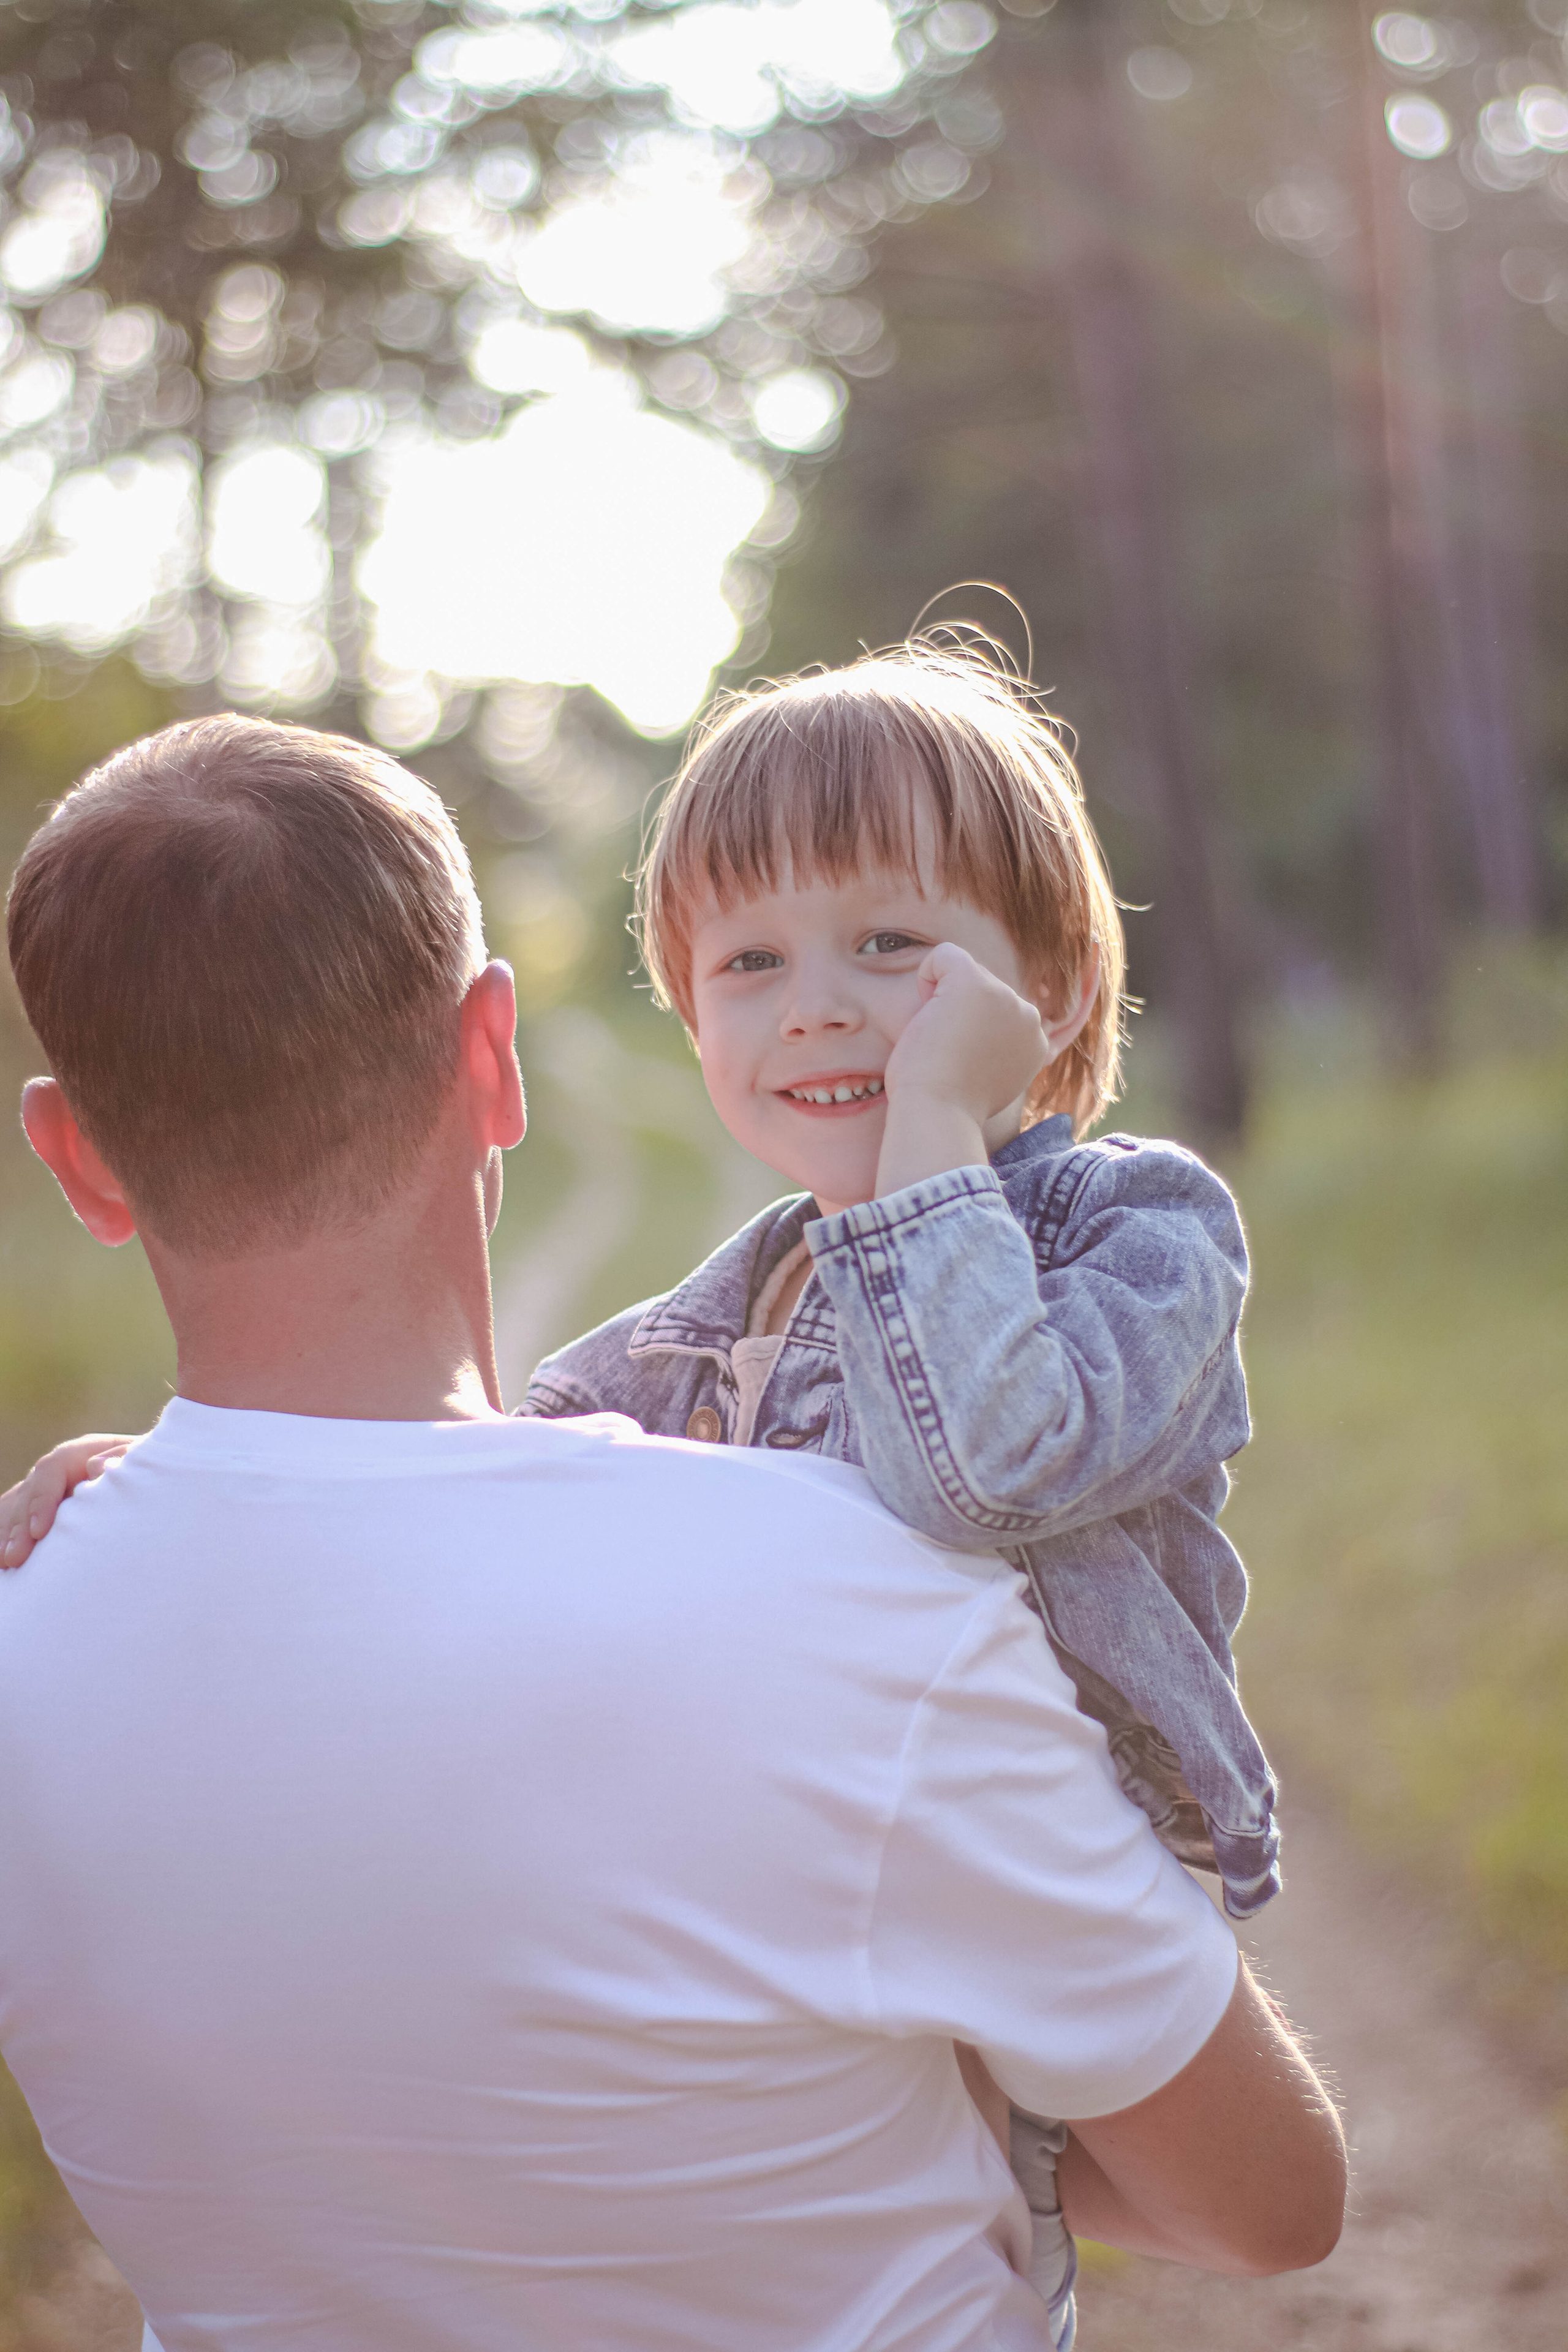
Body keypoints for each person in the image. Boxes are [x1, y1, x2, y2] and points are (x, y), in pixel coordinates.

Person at [0, 712, 1343, 2352]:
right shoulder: (843, 1588)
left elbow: (413, 1504)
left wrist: (151, 1501)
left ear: (70, 1152)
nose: (824, 1005)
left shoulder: (31, 1631)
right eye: (755, 962)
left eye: (888, 947)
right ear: (493, 1057)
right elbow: (1273, 2207)